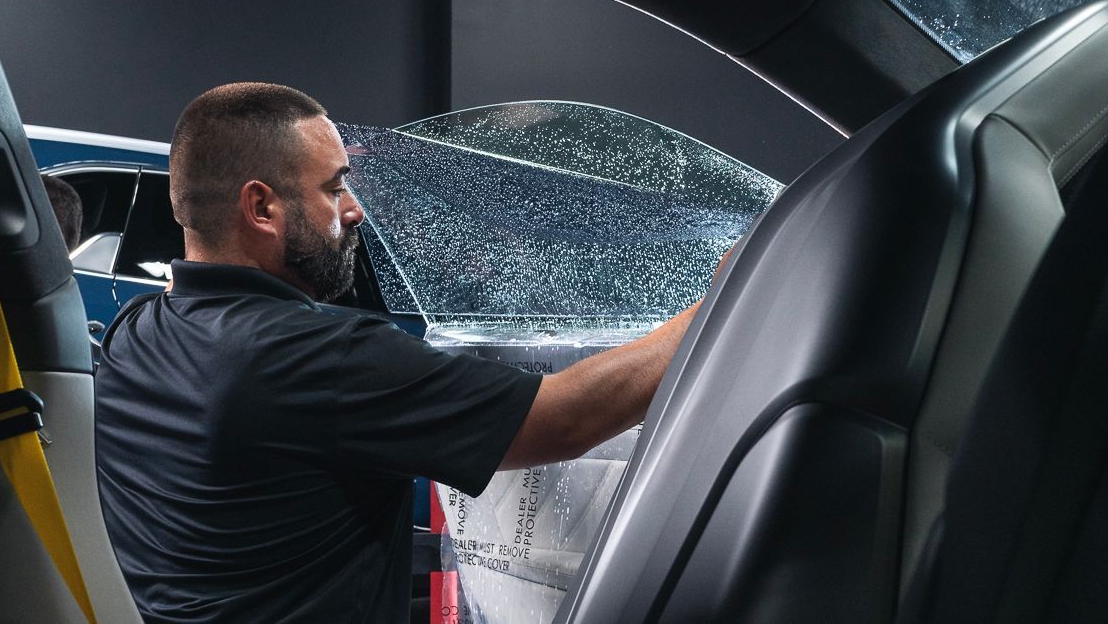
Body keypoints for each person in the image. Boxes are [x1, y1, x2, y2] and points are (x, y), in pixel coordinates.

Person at [93, 82, 706, 623]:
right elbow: (563, 418)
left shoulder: (132, 335)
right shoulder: (319, 358)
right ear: (261, 207)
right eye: (334, 189)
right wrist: (730, 294)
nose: (356, 209)